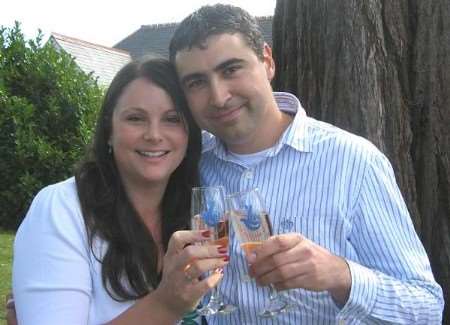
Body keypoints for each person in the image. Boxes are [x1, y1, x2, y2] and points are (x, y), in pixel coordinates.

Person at [169, 4, 444, 324]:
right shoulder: (188, 161)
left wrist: (341, 276)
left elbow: (426, 308)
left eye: (231, 69)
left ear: (267, 61)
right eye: (197, 83)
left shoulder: (353, 163)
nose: (218, 96)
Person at [11, 57, 228, 324]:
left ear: (189, 135)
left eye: (172, 119)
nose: (154, 134)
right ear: (109, 130)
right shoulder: (61, 209)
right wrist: (166, 304)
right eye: (135, 118)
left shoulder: (197, 206)